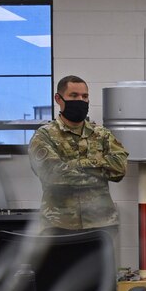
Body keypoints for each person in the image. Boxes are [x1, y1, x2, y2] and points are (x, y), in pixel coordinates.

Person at [29, 76, 129, 236]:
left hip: (101, 223)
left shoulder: (102, 134)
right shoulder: (43, 136)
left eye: (85, 96)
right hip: (59, 225)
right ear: (58, 99)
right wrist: (100, 171)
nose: (81, 101)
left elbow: (119, 169)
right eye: (74, 96)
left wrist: (77, 164)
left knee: (102, 263)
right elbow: (55, 177)